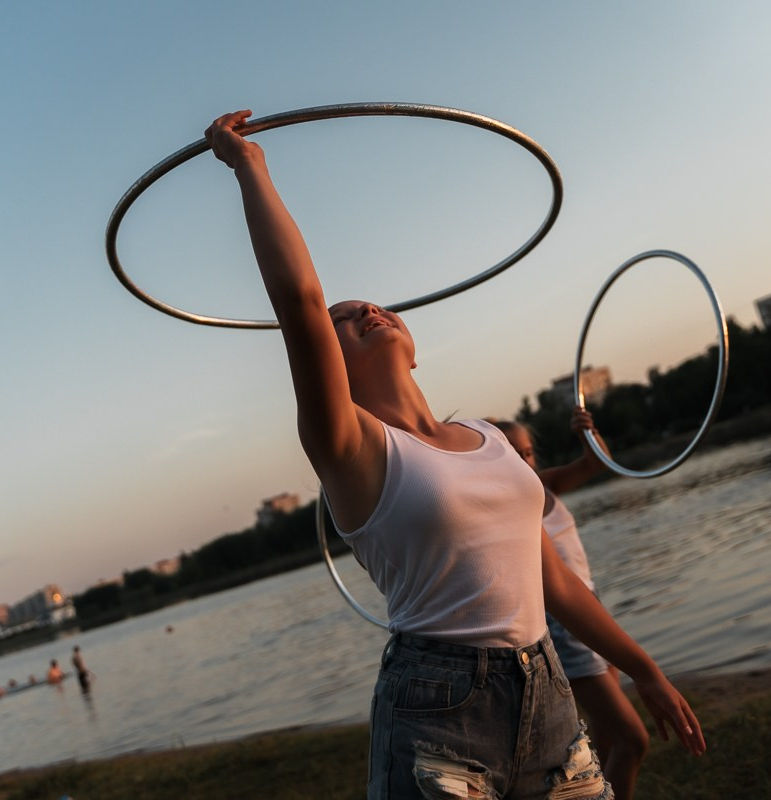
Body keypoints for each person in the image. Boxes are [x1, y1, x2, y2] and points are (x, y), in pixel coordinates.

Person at [205, 109, 704, 798]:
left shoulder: (490, 437)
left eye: (375, 307)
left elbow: (555, 582)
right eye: (344, 319)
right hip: (436, 711)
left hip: (547, 692)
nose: (365, 312)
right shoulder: (349, 445)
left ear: (413, 346)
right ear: (328, 361)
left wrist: (643, 668)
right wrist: (249, 166)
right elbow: (299, 300)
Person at [494, 410, 649, 799]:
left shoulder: (545, 484)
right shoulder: (502, 508)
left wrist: (587, 434)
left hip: (590, 605)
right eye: (513, 453)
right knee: (632, 739)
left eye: (528, 452)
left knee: (607, 737)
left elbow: (596, 463)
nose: (525, 461)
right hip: (564, 621)